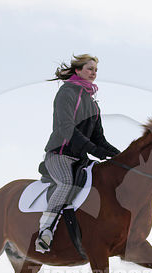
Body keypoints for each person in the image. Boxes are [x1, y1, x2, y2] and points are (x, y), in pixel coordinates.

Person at [35, 54, 120, 253]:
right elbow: (67, 128)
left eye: (96, 70)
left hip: (80, 159)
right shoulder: (66, 93)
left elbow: (100, 139)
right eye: (90, 69)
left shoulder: (93, 104)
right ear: (78, 70)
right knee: (67, 183)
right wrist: (93, 150)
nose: (94, 73)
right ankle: (45, 230)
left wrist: (120, 157)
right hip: (59, 155)